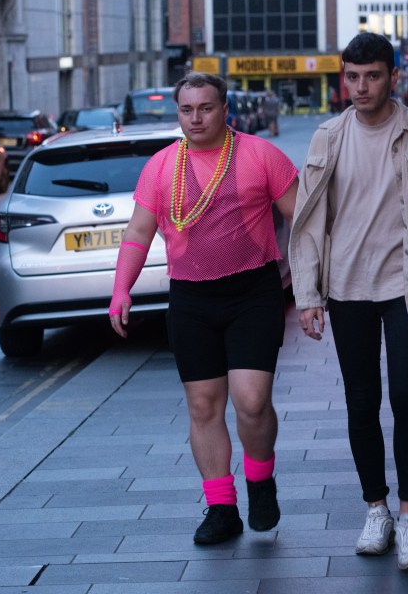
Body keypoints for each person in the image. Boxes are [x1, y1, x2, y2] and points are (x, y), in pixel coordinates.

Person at [288, 33, 408, 572]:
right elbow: (306, 225)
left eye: (372, 76)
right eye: (352, 76)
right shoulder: (327, 138)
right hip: (346, 289)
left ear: (393, 77)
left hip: (407, 286)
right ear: (342, 77)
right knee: (360, 401)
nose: (361, 87)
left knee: (406, 395)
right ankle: (377, 507)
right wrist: (308, 295)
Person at [109, 72, 299, 545]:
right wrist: (121, 290)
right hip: (191, 298)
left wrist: (306, 282)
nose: (196, 118)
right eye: (186, 109)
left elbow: (305, 220)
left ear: (225, 109)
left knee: (252, 402)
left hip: (253, 292)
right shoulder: (160, 167)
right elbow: (138, 233)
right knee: (202, 406)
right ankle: (221, 508)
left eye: (206, 108)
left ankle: (260, 479)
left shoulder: (261, 155)